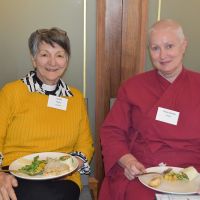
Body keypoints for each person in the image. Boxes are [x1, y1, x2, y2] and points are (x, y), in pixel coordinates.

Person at [99, 19, 200, 200]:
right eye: (155, 48)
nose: (163, 55)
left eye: (169, 46)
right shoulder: (132, 86)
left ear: (183, 46)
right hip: (144, 171)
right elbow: (111, 131)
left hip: (193, 172)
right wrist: (127, 161)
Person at [0, 27, 94, 200]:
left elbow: (85, 144)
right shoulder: (11, 92)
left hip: (62, 178)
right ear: (34, 59)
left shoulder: (75, 98)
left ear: (67, 60)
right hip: (15, 173)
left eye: (59, 55)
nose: (53, 62)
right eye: (44, 54)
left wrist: (70, 165)